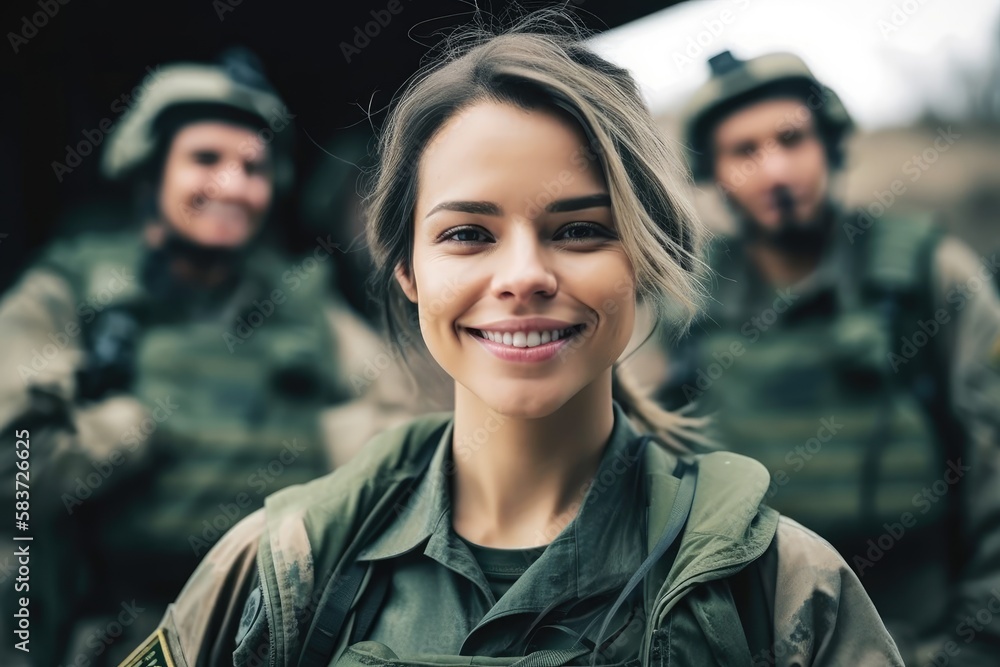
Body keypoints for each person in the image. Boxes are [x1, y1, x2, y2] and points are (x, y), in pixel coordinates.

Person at [118, 19, 902, 667]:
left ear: (643, 258)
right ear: (408, 270)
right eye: (467, 233)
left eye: (581, 230)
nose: (523, 274)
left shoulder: (783, 587)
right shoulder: (280, 568)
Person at [0, 51, 415, 667]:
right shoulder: (71, 286)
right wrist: (120, 431)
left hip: (276, 620)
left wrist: (321, 447)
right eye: (205, 160)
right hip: (125, 628)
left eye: (251, 166)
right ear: (150, 171)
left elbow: (403, 430)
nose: (231, 185)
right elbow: (15, 471)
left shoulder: (298, 294)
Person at [630, 50, 1000, 666]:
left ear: (828, 143)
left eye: (791, 139)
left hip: (925, 636)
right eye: (744, 151)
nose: (774, 169)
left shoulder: (929, 276)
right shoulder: (684, 302)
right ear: (715, 173)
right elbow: (634, 479)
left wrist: (974, 645)